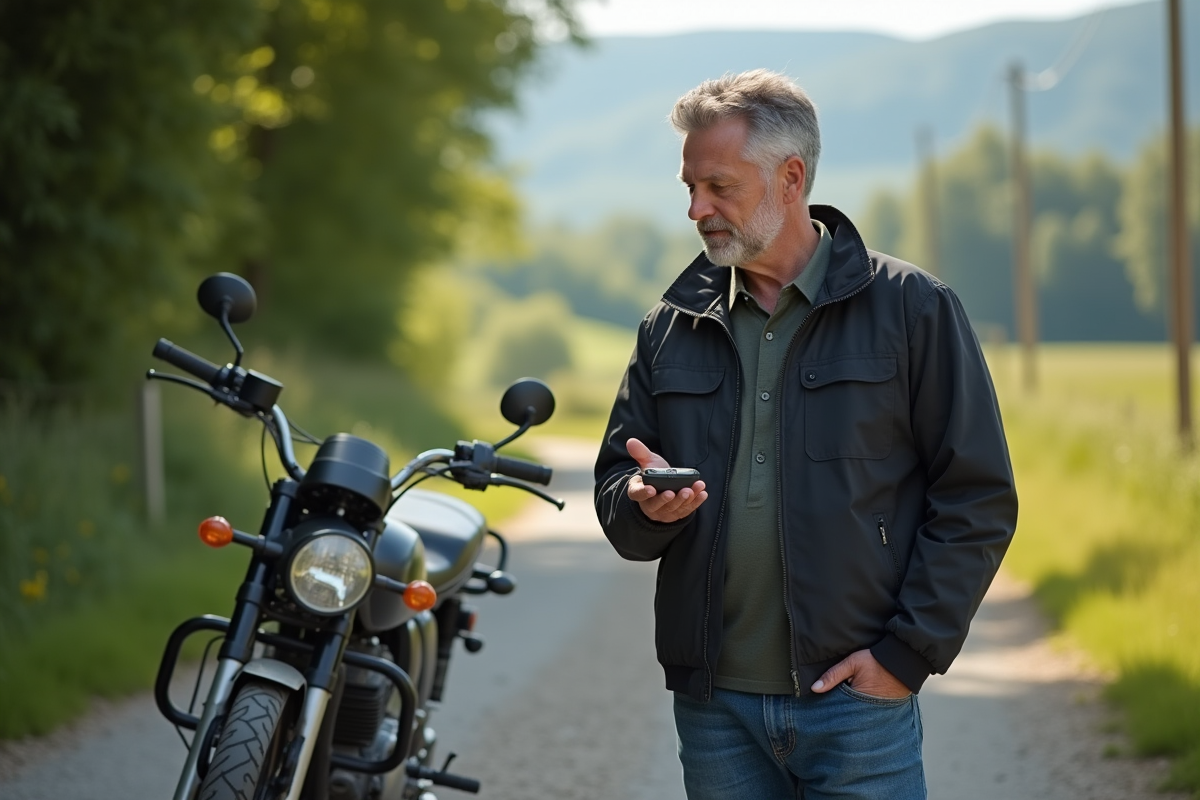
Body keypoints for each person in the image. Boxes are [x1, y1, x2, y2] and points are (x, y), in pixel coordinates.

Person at [592, 69, 1018, 800]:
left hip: (857, 704)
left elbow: (976, 496)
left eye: (719, 186)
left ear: (791, 178)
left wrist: (905, 656)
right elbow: (616, 495)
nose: (697, 209)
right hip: (714, 708)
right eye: (689, 187)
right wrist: (639, 503)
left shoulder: (913, 311)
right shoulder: (669, 326)